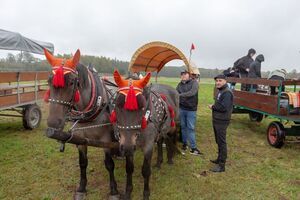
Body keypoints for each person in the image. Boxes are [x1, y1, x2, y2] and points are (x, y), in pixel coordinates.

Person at [208, 74, 233, 172]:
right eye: (217, 81)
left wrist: (212, 107)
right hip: (217, 119)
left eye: (220, 80)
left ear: (225, 81)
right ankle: (219, 159)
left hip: (222, 121)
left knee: (222, 142)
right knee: (218, 141)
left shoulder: (227, 92)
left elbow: (224, 107)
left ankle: (222, 166)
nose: (218, 82)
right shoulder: (221, 91)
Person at [176, 69, 202, 155]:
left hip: (191, 109)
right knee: (183, 127)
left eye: (185, 74)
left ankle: (193, 147)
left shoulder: (194, 83)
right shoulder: (179, 85)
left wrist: (180, 95)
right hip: (182, 108)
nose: (183, 75)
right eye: (182, 74)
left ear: (189, 75)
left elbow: (192, 93)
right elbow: (176, 93)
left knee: (190, 128)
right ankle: (184, 143)